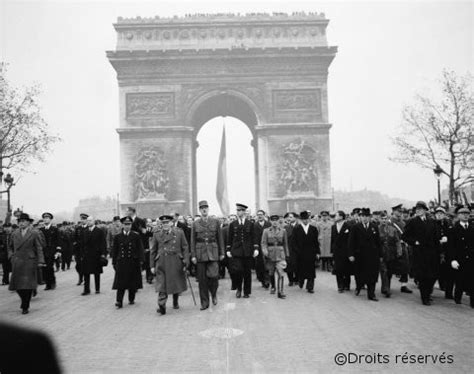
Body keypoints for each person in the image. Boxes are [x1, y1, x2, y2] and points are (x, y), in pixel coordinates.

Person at [403, 201, 441, 306]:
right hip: (420, 253)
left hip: (432, 253)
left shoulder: (432, 221)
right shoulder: (412, 221)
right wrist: (414, 242)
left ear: (425, 210)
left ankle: (428, 294)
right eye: (417, 209)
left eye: (420, 209)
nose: (418, 211)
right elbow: (405, 236)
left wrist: (439, 248)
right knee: (423, 276)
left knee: (432, 276)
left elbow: (436, 237)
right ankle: (425, 297)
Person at [150, 215, 189, 315]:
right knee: (162, 283)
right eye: (163, 223)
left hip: (175, 261)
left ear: (171, 223)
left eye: (167, 222)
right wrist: (152, 266)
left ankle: (175, 301)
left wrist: (186, 261)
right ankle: (161, 305)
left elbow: (185, 247)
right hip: (162, 262)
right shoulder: (157, 234)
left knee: (175, 282)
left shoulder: (179, 232)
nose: (165, 225)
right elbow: (153, 251)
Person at [191, 200, 225, 310]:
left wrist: (222, 252)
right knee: (202, 280)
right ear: (199, 210)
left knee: (214, 276)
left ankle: (213, 293)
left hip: (213, 252)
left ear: (208, 209)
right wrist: (193, 255)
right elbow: (192, 241)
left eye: (205, 207)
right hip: (200, 253)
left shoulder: (215, 221)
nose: (204, 209)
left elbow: (220, 238)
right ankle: (204, 302)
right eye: (202, 208)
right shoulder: (195, 223)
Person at [8, 213, 45, 314]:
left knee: (28, 286)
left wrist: (41, 261)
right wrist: (11, 256)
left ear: (28, 222)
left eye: (24, 221)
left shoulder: (34, 233)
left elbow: (39, 248)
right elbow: (10, 247)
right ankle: (24, 301)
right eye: (20, 221)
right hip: (17, 261)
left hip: (30, 261)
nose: (21, 223)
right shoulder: (14, 233)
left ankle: (25, 305)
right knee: (18, 286)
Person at [348, 208, 382, 301]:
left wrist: (380, 255)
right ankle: (358, 287)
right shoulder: (355, 227)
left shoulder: (374, 227)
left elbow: (378, 242)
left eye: (367, 216)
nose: (365, 218)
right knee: (359, 274)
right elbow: (351, 242)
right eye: (363, 216)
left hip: (372, 255)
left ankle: (371, 294)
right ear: (360, 217)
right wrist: (351, 254)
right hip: (359, 255)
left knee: (372, 275)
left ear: (369, 217)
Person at [226, 203, 259, 298]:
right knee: (238, 271)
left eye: (240, 210)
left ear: (244, 212)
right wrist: (228, 249)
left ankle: (246, 291)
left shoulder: (250, 224)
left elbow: (254, 237)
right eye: (237, 210)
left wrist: (256, 248)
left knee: (247, 272)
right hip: (236, 251)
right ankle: (239, 289)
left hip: (247, 251)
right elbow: (230, 238)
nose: (238, 212)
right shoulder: (233, 224)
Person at [111, 216, 145, 308]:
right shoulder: (118, 237)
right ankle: (119, 301)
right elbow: (115, 250)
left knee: (132, 282)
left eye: (129, 224)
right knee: (120, 284)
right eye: (125, 224)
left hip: (133, 262)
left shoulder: (136, 235)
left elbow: (140, 249)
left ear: (131, 225)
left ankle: (131, 298)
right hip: (121, 262)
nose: (127, 226)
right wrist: (114, 262)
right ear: (122, 225)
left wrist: (141, 260)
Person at [450, 207, 474, 307]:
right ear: (458, 216)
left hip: (471, 258)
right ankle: (457, 298)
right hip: (459, 258)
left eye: (467, 214)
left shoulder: (472, 228)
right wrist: (453, 259)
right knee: (459, 279)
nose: (465, 215)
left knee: (472, 280)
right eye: (463, 213)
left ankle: (473, 302)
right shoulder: (454, 229)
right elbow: (451, 246)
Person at [291, 211, 320, 293]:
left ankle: (310, 287)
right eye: (303, 219)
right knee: (301, 269)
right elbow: (293, 242)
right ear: (300, 220)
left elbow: (316, 242)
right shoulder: (296, 229)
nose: (305, 221)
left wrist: (317, 252)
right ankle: (301, 280)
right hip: (300, 253)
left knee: (311, 269)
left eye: (307, 219)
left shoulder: (313, 229)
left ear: (309, 219)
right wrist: (297, 252)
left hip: (311, 252)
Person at [261, 215, 289, 298]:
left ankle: (281, 291)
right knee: (271, 272)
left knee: (281, 273)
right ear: (270, 221)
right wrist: (265, 251)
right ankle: (273, 286)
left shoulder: (283, 231)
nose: (275, 222)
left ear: (278, 221)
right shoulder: (266, 231)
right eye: (273, 220)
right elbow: (263, 243)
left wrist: (287, 254)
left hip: (280, 254)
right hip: (270, 254)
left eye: (276, 220)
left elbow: (285, 244)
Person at [81, 216, 107, 295]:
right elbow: (82, 244)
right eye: (87, 221)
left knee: (96, 273)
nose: (88, 222)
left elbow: (103, 243)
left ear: (94, 221)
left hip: (96, 255)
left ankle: (97, 288)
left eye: (90, 221)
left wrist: (103, 254)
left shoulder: (99, 231)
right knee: (86, 273)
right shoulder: (85, 231)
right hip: (86, 255)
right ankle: (86, 289)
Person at [378, 212, 402, 298]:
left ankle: (385, 287)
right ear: (379, 219)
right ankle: (386, 289)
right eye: (382, 219)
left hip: (391, 253)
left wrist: (399, 251)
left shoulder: (393, 229)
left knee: (390, 271)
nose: (384, 220)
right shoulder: (377, 229)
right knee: (384, 270)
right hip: (381, 253)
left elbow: (397, 241)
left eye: (385, 218)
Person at [390, 204, 412, 294]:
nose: (400, 213)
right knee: (390, 265)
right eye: (398, 211)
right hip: (393, 245)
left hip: (402, 245)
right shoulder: (389, 221)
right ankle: (387, 285)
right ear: (394, 211)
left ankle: (404, 285)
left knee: (405, 265)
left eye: (401, 211)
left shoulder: (403, 222)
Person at [330, 210, 352, 292]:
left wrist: (350, 252)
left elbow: (350, 240)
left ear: (341, 217)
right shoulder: (333, 227)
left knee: (346, 268)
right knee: (338, 269)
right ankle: (340, 286)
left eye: (336, 216)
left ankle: (347, 285)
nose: (335, 217)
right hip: (337, 251)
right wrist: (332, 251)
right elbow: (332, 240)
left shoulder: (348, 226)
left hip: (346, 251)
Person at [39, 212, 61, 290]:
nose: (46, 219)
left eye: (47, 218)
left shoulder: (54, 229)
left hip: (52, 252)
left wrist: (58, 251)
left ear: (50, 219)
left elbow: (58, 240)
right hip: (43, 252)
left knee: (50, 267)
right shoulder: (40, 230)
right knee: (44, 269)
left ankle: (52, 282)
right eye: (44, 218)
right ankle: (47, 284)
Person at [253, 210, 271, 288]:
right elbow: (253, 237)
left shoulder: (268, 224)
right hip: (258, 248)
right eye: (258, 215)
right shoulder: (254, 225)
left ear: (264, 215)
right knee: (259, 264)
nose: (259, 216)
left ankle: (267, 280)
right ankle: (262, 279)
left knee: (267, 263)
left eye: (261, 214)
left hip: (267, 246)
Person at [284, 212, 299, 286]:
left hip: (298, 249)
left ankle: (297, 279)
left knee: (297, 264)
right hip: (289, 249)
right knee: (288, 265)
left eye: (291, 217)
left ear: (295, 218)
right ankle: (290, 280)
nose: (289, 218)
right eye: (289, 217)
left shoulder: (299, 227)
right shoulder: (286, 227)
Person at [73, 213, 88, 286]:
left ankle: (85, 279)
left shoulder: (89, 228)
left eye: (84, 219)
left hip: (86, 250)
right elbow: (74, 239)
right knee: (78, 266)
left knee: (85, 265)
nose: (83, 220)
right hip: (78, 250)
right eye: (82, 219)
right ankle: (80, 278)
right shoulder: (78, 228)